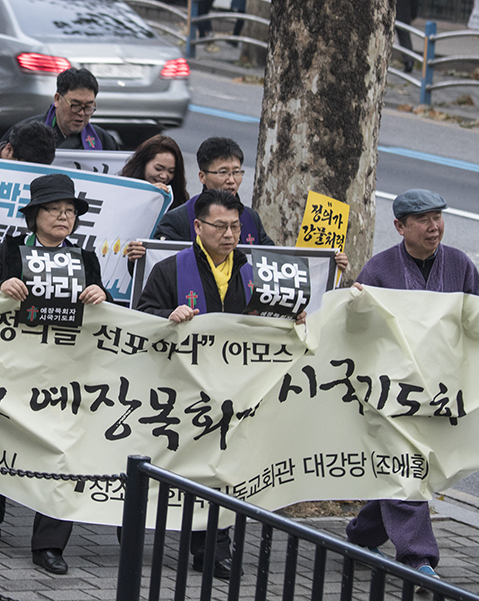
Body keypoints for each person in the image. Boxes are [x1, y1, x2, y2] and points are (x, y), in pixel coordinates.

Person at [136, 189, 306, 580]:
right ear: (198, 226)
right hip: (181, 389)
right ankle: (139, 528)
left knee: (221, 467)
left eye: (235, 227)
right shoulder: (171, 270)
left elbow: (273, 322)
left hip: (234, 392)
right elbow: (142, 318)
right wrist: (168, 314)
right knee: (175, 464)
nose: (229, 235)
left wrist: (293, 321)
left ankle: (214, 551)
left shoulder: (254, 271)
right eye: (220, 226)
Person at [0, 172, 109, 575]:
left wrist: (101, 295)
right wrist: (2, 285)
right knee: (1, 437)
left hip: (66, 371)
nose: (63, 217)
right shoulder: (11, 250)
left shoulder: (86, 258)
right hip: (15, 364)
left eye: (70, 211)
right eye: (54, 209)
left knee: (63, 450)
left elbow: (107, 308)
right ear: (34, 215)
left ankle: (49, 544)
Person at [345, 189, 479, 586]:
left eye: (437, 216)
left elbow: (474, 316)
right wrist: (355, 305)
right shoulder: (379, 270)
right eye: (422, 219)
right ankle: (419, 557)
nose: (433, 226)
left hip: (438, 390)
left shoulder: (459, 264)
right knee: (405, 468)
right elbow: (356, 331)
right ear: (400, 226)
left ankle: (362, 534)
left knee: (407, 469)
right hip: (392, 392)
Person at [147, 137, 348, 272]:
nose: (231, 180)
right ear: (202, 176)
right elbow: (156, 268)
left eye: (236, 172)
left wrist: (326, 264)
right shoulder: (178, 219)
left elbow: (277, 265)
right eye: (223, 172)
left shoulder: (251, 219)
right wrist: (138, 257)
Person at [0, 68, 118, 151]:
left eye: (88, 107)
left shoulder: (102, 140)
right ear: (57, 99)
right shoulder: (25, 133)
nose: (81, 113)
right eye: (75, 105)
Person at [118, 134, 189, 211]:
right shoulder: (121, 193)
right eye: (158, 169)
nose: (164, 176)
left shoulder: (180, 202)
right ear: (142, 164)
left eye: (171, 171)